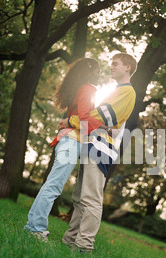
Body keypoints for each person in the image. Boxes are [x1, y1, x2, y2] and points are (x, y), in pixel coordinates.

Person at [60, 53, 138, 252]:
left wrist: (71, 121)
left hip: (102, 148)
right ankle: (70, 241)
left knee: (91, 198)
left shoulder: (127, 92)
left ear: (127, 67)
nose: (111, 67)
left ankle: (84, 246)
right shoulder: (116, 91)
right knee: (79, 198)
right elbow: (97, 119)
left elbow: (99, 116)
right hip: (92, 142)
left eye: (115, 64)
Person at [24, 58, 105, 241]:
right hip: (71, 141)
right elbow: (84, 118)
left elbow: (80, 117)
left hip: (68, 139)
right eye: (99, 70)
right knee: (53, 186)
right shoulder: (88, 89)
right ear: (90, 70)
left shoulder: (79, 88)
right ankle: (35, 229)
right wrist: (104, 127)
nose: (100, 74)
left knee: (51, 185)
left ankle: (32, 227)